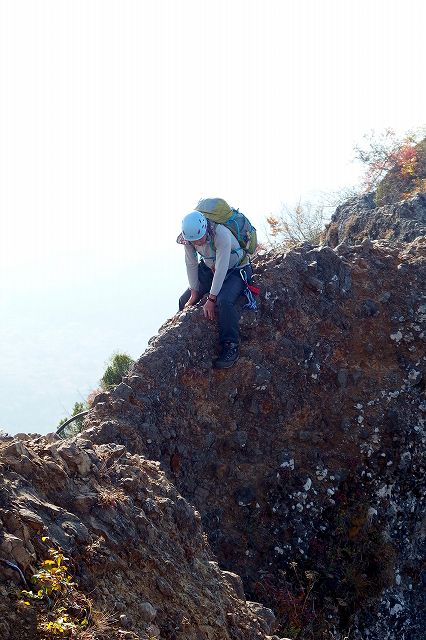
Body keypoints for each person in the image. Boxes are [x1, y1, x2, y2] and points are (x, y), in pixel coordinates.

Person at [178, 210, 253, 368]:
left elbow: (222, 269)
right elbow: (191, 264)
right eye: (194, 241)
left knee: (224, 301)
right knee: (184, 300)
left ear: (205, 229)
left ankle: (230, 346)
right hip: (210, 267)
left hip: (236, 269)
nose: (197, 244)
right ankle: (182, 343)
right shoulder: (189, 240)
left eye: (199, 239)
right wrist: (194, 292)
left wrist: (211, 299)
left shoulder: (221, 234)